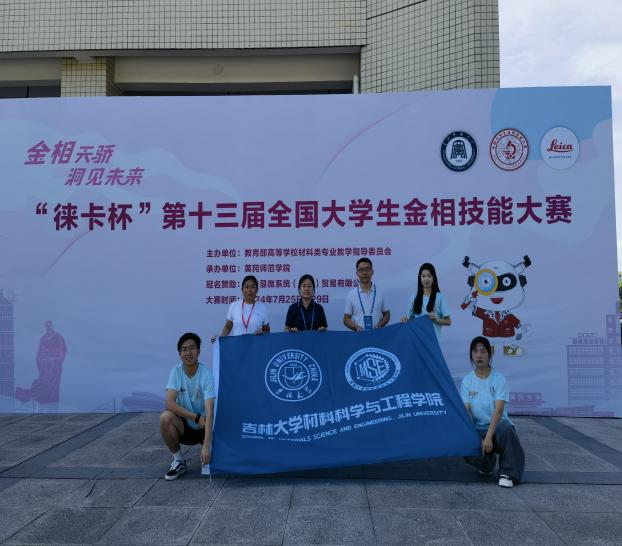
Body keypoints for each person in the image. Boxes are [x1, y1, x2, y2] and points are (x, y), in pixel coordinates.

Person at [461, 336, 525, 488]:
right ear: (471, 355)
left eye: (483, 351)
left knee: (506, 428)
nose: (479, 355)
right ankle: (486, 464)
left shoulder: (499, 379)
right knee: (465, 441)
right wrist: (476, 437)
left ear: (489, 355)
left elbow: (499, 410)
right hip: (479, 431)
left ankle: (508, 473)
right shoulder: (467, 381)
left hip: (497, 430)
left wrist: (489, 437)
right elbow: (467, 411)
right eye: (475, 351)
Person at [160, 332, 215, 480]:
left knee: (219, 464)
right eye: (184, 349)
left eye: (192, 348)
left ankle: (210, 448)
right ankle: (179, 460)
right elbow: (169, 403)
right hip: (187, 427)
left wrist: (207, 445)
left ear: (198, 351)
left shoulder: (206, 374)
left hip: (206, 427)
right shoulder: (176, 371)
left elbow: (210, 410)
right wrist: (195, 417)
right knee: (165, 417)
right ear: (180, 354)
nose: (188, 352)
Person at [15, 320, 67, 410]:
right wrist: (44, 360)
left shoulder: (59, 337)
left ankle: (52, 401)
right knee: (44, 383)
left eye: (50, 327)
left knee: (54, 385)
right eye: (47, 327)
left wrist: (54, 359)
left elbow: (63, 351)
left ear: (52, 327)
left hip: (56, 367)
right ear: (46, 328)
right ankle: (44, 399)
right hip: (45, 366)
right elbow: (39, 354)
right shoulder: (43, 339)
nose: (49, 329)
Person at [401, 263, 451, 342]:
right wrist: (405, 320)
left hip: (434, 342)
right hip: (418, 341)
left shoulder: (439, 297)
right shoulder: (413, 297)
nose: (426, 279)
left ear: (433, 277)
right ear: (420, 278)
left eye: (429, 276)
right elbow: (410, 320)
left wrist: (436, 319)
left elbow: (448, 321)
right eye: (423, 276)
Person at [213, 275, 270, 341]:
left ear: (257, 290)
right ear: (242, 289)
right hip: (237, 345)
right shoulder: (234, 306)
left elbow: (267, 329)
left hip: (256, 345)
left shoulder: (262, 307)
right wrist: (220, 340)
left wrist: (262, 332)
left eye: (252, 287)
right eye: (246, 287)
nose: (249, 290)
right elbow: (228, 327)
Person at [344, 257, 390, 332]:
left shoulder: (381, 292)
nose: (364, 273)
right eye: (361, 270)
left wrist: (380, 325)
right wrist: (355, 327)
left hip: (377, 334)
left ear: (372, 272)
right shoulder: (351, 294)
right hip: (358, 335)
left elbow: (387, 314)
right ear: (357, 273)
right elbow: (346, 319)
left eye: (367, 269)